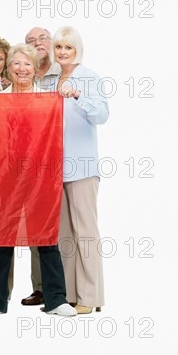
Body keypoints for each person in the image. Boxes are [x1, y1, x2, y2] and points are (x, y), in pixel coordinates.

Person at [0, 43, 76, 317]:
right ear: (9, 68)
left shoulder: (47, 99)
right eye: (16, 64)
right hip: (6, 177)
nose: (21, 69)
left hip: (40, 177)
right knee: (1, 237)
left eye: (27, 64)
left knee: (46, 237)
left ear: (35, 69)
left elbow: (57, 133)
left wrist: (64, 95)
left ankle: (56, 299)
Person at [53, 26, 109, 315]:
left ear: (77, 50)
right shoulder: (50, 79)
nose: (63, 52)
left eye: (68, 48)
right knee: (64, 234)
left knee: (86, 232)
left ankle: (91, 295)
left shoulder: (89, 78)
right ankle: (72, 294)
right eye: (59, 47)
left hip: (82, 166)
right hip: (55, 169)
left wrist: (78, 97)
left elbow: (102, 115)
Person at [20, 26, 62, 307]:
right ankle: (40, 289)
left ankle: (59, 294)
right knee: (18, 230)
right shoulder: (6, 89)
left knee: (50, 231)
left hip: (50, 164)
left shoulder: (61, 77)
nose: (37, 43)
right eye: (30, 41)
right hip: (15, 169)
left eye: (42, 38)